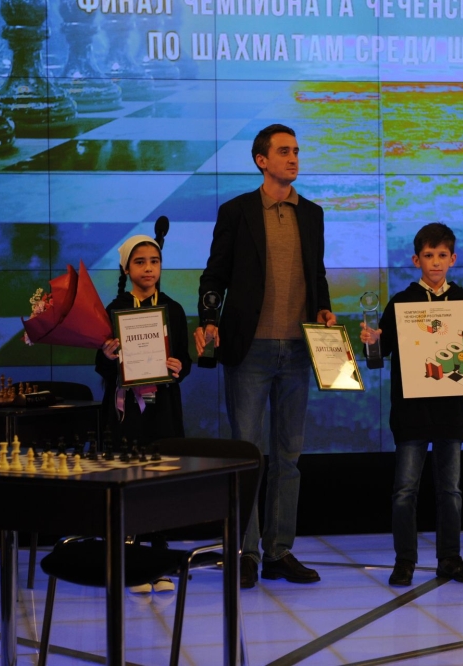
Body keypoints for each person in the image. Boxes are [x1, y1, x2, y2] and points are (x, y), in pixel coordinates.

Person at [194, 124, 336, 589]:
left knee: (288, 457)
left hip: (298, 349)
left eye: (296, 151)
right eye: (284, 151)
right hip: (249, 349)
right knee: (248, 455)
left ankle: (278, 551)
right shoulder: (236, 212)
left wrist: (324, 309)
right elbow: (214, 275)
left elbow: (317, 275)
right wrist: (209, 318)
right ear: (261, 160)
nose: (293, 158)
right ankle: (246, 552)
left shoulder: (311, 213)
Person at [360, 223, 463, 586]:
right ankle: (405, 561)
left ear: (453, 259)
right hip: (411, 411)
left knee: (451, 491)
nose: (435, 262)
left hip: (450, 412)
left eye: (442, 255)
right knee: (405, 491)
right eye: (428, 255)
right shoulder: (401, 302)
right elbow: (378, 356)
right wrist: (371, 341)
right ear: (416, 260)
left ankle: (450, 558)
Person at [95, 233, 191, 592]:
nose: (148, 268)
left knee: (160, 485)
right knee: (128, 482)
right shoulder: (113, 310)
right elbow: (101, 367)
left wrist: (178, 367)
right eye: (140, 262)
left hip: (162, 411)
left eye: (154, 261)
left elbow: (185, 362)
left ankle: (159, 563)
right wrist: (107, 356)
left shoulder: (173, 309)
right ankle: (130, 563)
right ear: (126, 268)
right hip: (125, 413)